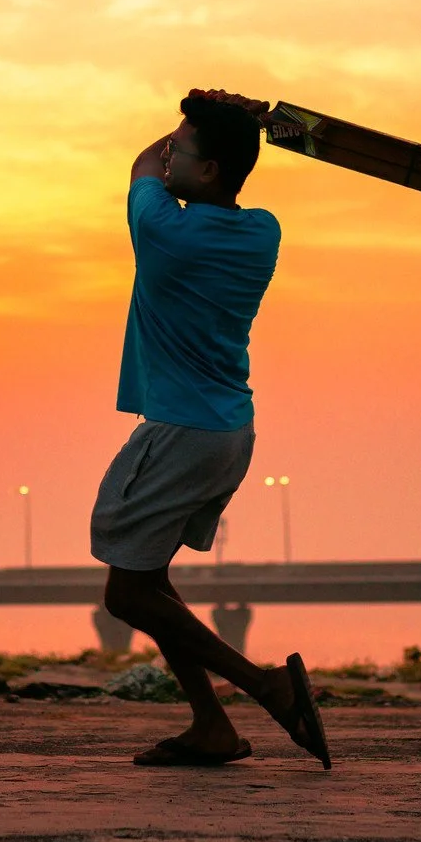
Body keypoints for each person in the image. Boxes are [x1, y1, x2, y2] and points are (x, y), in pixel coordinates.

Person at [91, 90, 330, 769]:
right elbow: (173, 164)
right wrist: (233, 120)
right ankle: (211, 726)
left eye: (184, 148)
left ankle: (268, 688)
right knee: (151, 581)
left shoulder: (166, 231)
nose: (169, 153)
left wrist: (204, 119)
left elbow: (139, 162)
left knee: (127, 591)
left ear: (212, 170)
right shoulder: (263, 232)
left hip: (181, 432)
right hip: (228, 430)